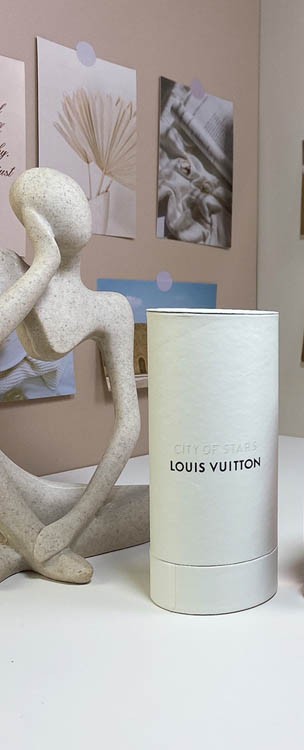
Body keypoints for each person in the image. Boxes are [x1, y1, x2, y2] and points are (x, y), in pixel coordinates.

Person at [0, 168, 140, 582]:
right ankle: (35, 547)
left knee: (156, 506)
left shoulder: (110, 308)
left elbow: (129, 426)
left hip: (46, 502)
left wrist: (74, 521)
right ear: (34, 222)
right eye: (45, 203)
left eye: (73, 196)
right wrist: (44, 264)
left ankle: (19, 551)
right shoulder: (11, 271)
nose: (74, 205)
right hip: (12, 483)